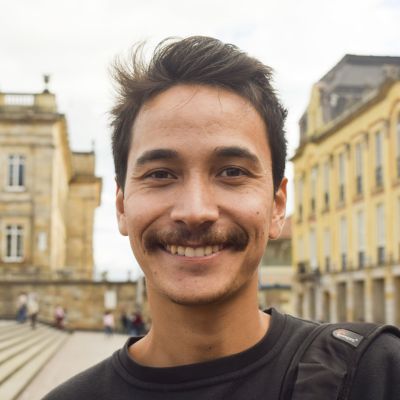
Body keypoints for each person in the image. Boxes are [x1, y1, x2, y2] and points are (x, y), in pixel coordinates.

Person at [43, 36, 400, 399]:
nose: (196, 211)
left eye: (231, 172)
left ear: (278, 206)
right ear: (121, 207)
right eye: (161, 174)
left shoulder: (377, 376)